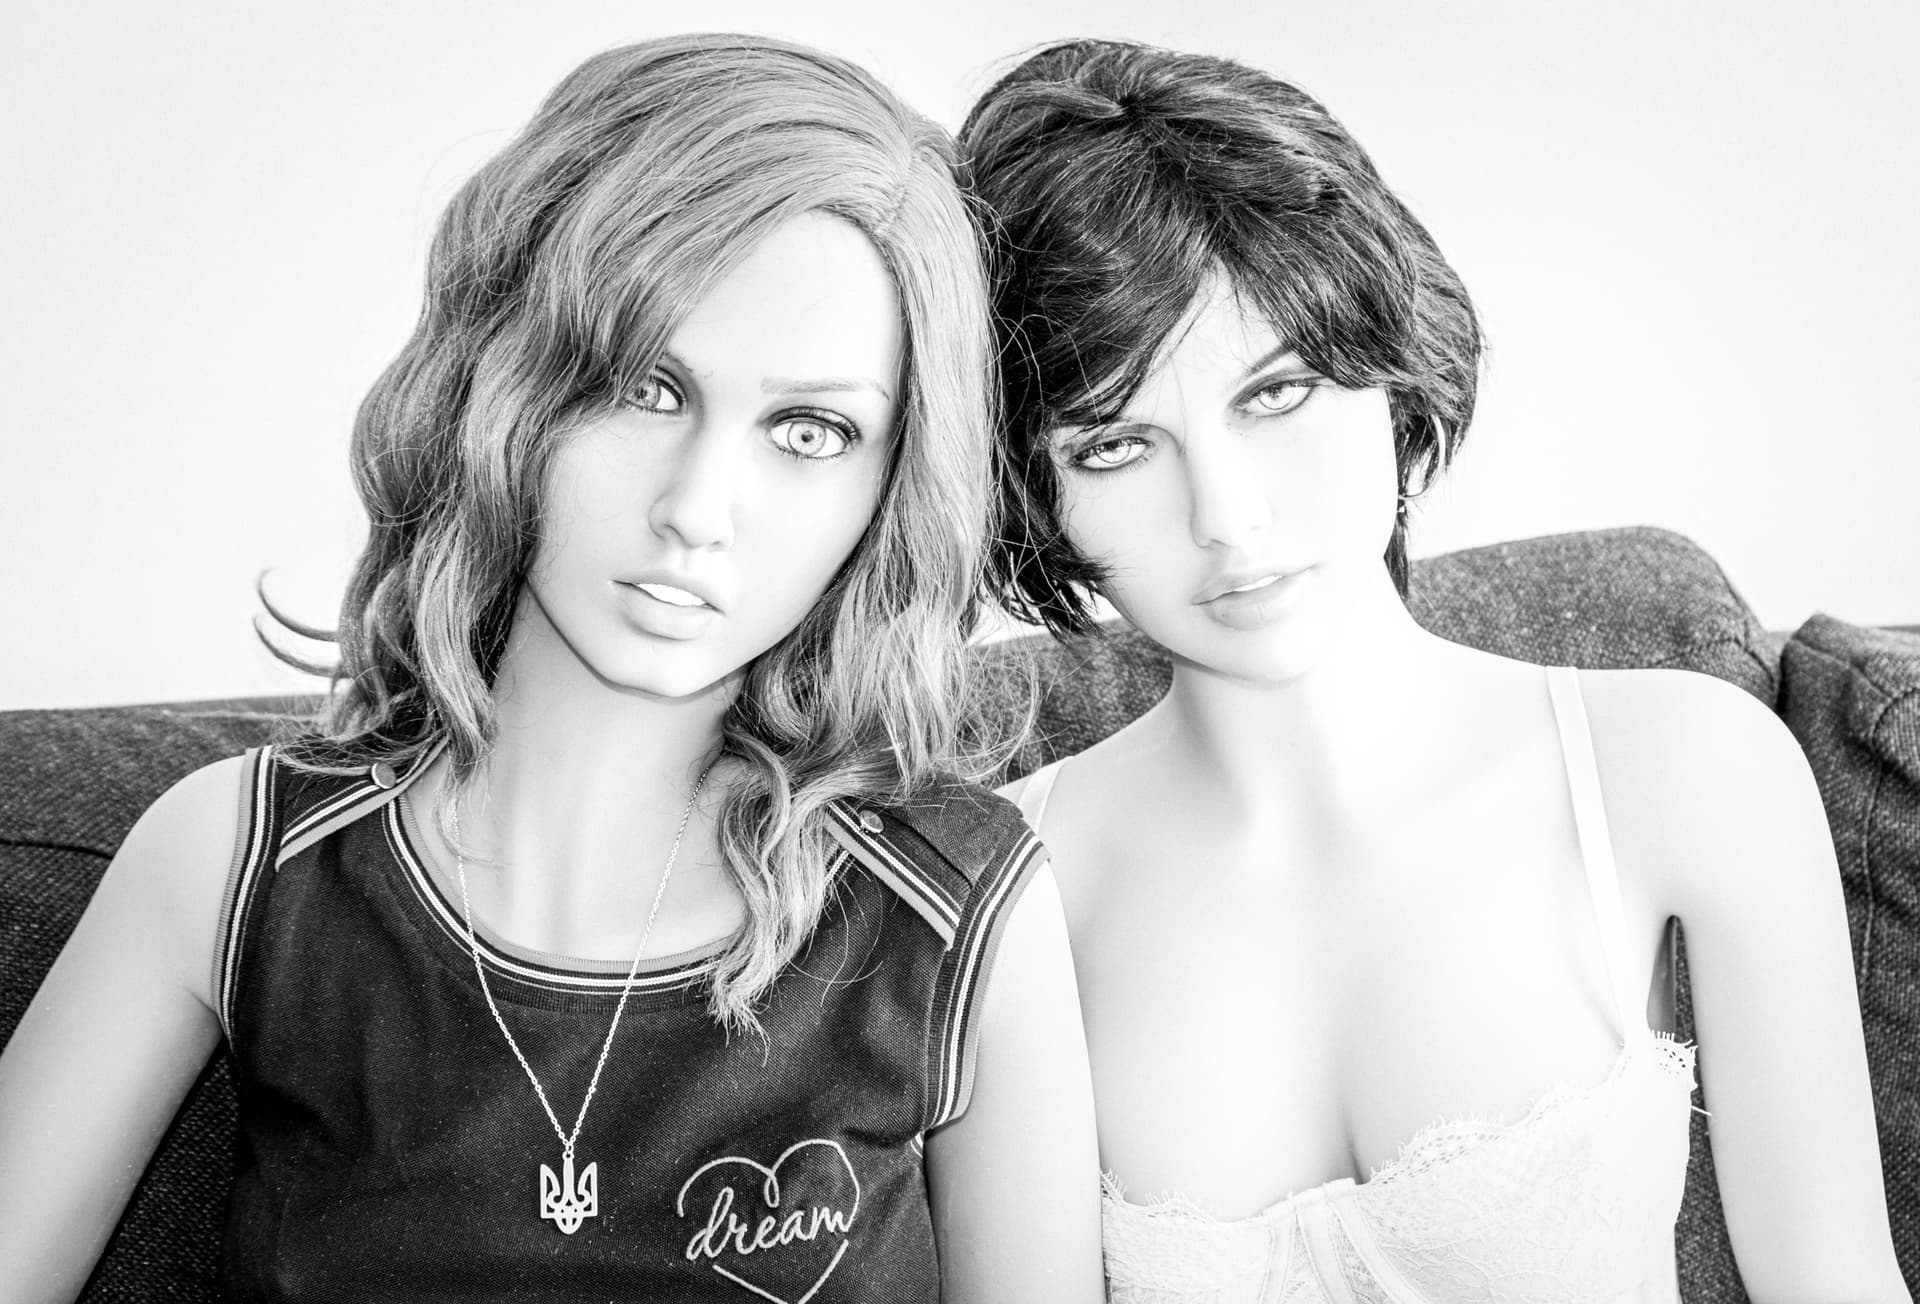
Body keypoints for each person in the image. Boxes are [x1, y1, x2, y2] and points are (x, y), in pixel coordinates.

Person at [0, 35, 1104, 1302]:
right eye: (644, 387)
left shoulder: (960, 914)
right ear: (502, 381)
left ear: (890, 487)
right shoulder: (235, 862)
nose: (699, 507)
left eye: (810, 430)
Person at [960, 38, 1909, 1303]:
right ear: (1035, 497)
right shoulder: (1002, 892)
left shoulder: (1686, 765)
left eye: (1278, 393)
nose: (1228, 516)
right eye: (1116, 445)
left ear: (1392, 377)